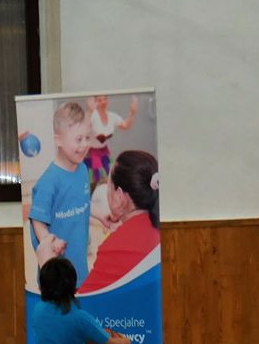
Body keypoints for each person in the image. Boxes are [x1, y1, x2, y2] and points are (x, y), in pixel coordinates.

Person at [27, 101, 101, 285]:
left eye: (87, 138)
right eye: (78, 139)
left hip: (80, 270)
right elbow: (38, 220)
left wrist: (102, 216)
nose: (84, 145)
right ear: (58, 140)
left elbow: (81, 205)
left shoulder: (83, 170)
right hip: (56, 277)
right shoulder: (48, 182)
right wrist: (49, 240)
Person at [79, 150, 160, 295]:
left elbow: (84, 302)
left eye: (109, 184)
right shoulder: (158, 229)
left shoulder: (114, 248)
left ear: (120, 196)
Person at [84, 94, 138, 190]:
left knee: (110, 180)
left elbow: (125, 125)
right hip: (91, 154)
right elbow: (84, 127)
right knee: (93, 183)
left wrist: (132, 113)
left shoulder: (112, 116)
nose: (103, 102)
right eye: (99, 100)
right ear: (95, 102)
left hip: (104, 153)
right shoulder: (93, 115)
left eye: (105, 99)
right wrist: (90, 110)